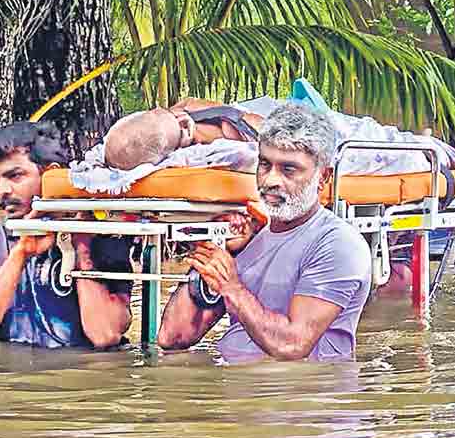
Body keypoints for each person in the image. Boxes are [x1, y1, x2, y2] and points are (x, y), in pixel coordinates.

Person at [157, 102, 373, 362]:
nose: (270, 180)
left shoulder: (338, 244)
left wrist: (232, 288)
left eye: (288, 169)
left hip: (300, 396)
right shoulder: (247, 238)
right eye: (264, 165)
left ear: (323, 177)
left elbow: (292, 346)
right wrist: (217, 253)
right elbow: (172, 337)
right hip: (234, 389)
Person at [0, 121, 134, 349]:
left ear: (50, 175)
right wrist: (21, 253)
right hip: (12, 382)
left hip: (86, 381)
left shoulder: (103, 239)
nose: (2, 191)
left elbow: (105, 335)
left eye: (15, 176)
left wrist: (81, 248)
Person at [102, 96, 455, 172]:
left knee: (380, 134)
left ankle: (447, 150)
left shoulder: (188, 112)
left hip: (291, 115)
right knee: (385, 144)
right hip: (310, 132)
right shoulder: (218, 141)